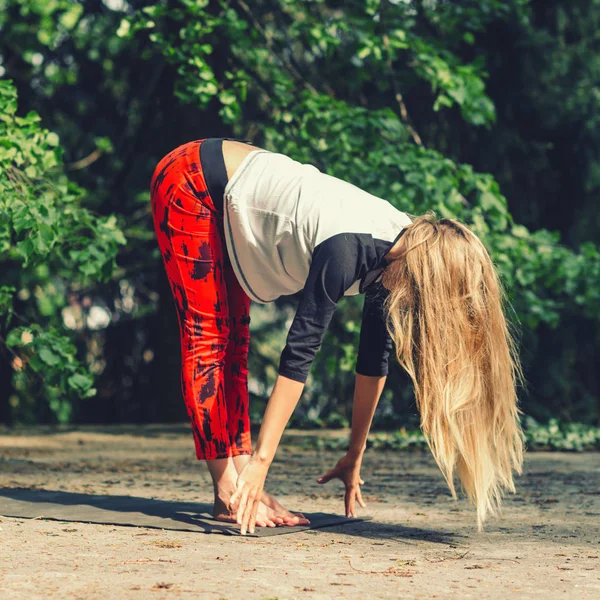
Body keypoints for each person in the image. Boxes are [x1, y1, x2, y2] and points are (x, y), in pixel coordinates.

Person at [150, 138, 524, 535]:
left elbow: (372, 360)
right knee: (209, 337)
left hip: (229, 189)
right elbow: (299, 353)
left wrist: (354, 453)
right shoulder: (349, 248)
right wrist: (261, 463)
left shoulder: (401, 255)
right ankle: (229, 489)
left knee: (235, 344)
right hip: (192, 181)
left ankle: (242, 485)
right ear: (424, 279)